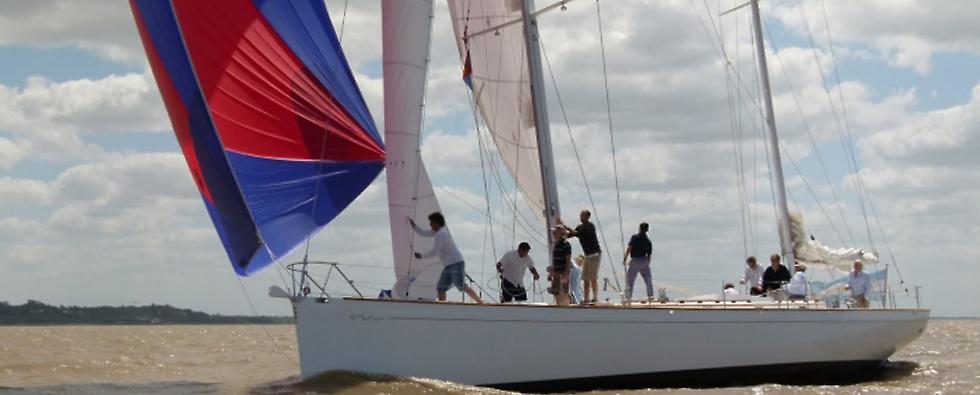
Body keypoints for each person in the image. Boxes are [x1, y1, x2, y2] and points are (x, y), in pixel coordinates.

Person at [410, 212, 483, 303]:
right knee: (441, 287)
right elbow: (424, 233)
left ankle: (479, 302)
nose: (430, 224)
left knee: (461, 285)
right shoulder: (436, 232)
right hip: (449, 265)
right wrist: (414, 226)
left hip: (456, 263)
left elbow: (435, 251)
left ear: (436, 223)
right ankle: (442, 306)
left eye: (431, 222)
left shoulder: (441, 234)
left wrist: (421, 256)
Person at [560, 210, 602, 304]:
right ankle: (586, 299)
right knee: (585, 278)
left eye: (582, 216)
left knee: (592, 277)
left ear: (588, 216)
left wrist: (565, 226)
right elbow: (570, 235)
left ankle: (595, 298)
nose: (581, 217)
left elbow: (577, 233)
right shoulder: (580, 227)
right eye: (580, 215)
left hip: (595, 254)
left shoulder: (590, 226)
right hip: (587, 255)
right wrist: (560, 232)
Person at [623, 222, 654, 304]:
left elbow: (630, 248)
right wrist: (647, 263)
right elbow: (649, 255)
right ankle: (650, 296)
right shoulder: (648, 241)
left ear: (639, 228)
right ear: (647, 229)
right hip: (644, 260)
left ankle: (628, 298)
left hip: (635, 260)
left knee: (630, 280)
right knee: (648, 279)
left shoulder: (634, 237)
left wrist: (625, 258)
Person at [548, 226, 573, 306]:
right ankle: (558, 306)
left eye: (555, 232)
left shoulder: (566, 244)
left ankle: (565, 307)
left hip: (562, 272)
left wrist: (566, 273)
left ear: (560, 233)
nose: (553, 234)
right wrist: (551, 272)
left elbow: (568, 260)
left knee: (563, 292)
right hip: (556, 272)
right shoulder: (556, 244)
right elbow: (555, 260)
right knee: (556, 292)